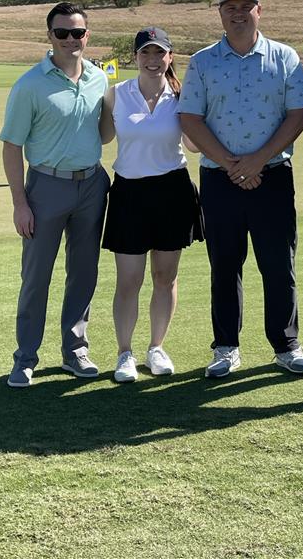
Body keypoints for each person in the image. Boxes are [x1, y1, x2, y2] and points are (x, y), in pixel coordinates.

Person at [179, 0, 303, 378]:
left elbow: (298, 115)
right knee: (224, 265)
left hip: (271, 176)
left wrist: (257, 161)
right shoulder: (203, 61)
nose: (237, 13)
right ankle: (225, 346)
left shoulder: (284, 57)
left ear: (260, 10)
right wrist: (232, 165)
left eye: (246, 6)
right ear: (220, 12)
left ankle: (286, 344)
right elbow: (190, 118)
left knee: (277, 264)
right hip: (219, 180)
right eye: (229, 7)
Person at [0, 1, 110, 388]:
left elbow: (104, 132)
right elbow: (12, 146)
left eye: (77, 32)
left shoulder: (99, 78)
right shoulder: (30, 84)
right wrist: (19, 203)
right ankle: (25, 357)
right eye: (61, 32)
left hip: (92, 185)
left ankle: (75, 351)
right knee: (36, 277)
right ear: (49, 36)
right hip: (45, 187)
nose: (70, 39)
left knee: (83, 273)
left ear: (87, 35)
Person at [100, 27, 204, 383]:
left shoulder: (181, 96)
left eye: (159, 53)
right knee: (129, 280)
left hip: (172, 191)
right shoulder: (116, 95)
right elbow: (99, 137)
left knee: (165, 277)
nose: (152, 60)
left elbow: (193, 145)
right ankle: (124, 353)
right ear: (135, 57)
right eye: (145, 53)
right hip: (129, 193)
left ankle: (156, 347)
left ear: (170, 58)